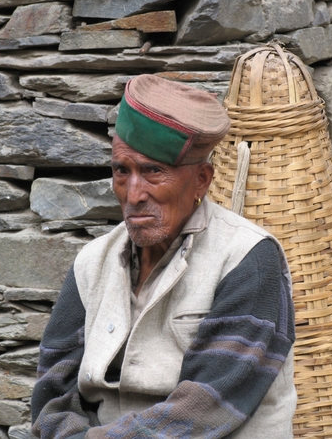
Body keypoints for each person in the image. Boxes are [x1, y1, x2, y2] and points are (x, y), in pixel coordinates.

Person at [30, 74, 297, 439]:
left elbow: (205, 410)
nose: (134, 193)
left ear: (202, 180)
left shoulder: (248, 258)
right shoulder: (93, 262)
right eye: (122, 171)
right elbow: (52, 391)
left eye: (153, 171)